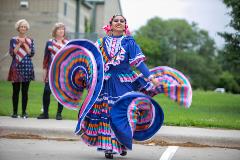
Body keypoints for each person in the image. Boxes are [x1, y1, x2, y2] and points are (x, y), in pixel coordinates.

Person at [79, 15, 159, 159]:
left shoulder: (129, 42)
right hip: (106, 82)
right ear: (110, 24)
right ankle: (109, 147)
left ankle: (121, 143)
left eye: (122, 21)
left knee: (123, 113)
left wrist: (150, 77)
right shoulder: (100, 43)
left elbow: (139, 63)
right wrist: (87, 76)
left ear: (125, 26)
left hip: (124, 82)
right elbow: (92, 62)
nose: (119, 23)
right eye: (116, 21)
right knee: (106, 113)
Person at [37, 22, 68, 120]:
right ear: (55, 31)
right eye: (59, 29)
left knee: (61, 93)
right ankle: (45, 113)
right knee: (47, 91)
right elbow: (46, 59)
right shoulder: (49, 42)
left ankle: (59, 114)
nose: (61, 31)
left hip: (62, 72)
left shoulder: (67, 43)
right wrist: (44, 72)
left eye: (63, 29)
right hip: (50, 72)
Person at [8, 19, 35, 118]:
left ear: (26, 28)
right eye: (21, 26)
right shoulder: (13, 40)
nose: (23, 28)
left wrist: (24, 43)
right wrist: (19, 43)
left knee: (25, 91)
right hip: (16, 68)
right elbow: (12, 53)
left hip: (27, 67)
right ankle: (15, 112)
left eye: (24, 27)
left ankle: (24, 112)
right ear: (18, 28)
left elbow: (31, 53)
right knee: (15, 91)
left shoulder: (30, 40)